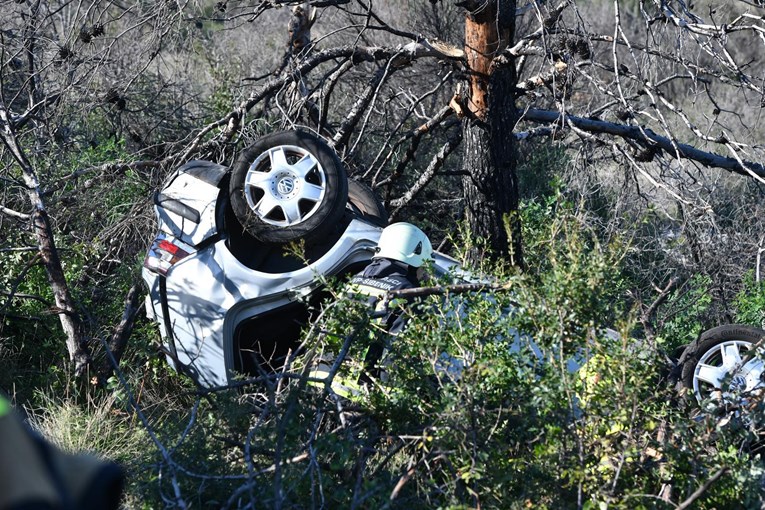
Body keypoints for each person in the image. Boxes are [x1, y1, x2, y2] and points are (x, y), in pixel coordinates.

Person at [347, 222, 433, 384]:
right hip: (358, 392)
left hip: (319, 379)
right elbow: (396, 358)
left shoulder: (356, 279)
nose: (426, 274)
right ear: (416, 258)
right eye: (425, 266)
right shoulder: (409, 293)